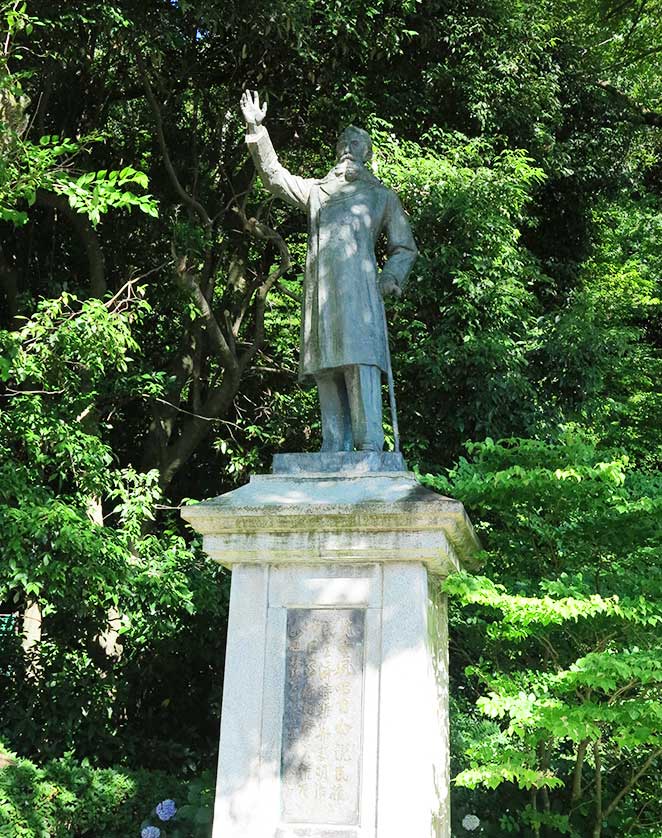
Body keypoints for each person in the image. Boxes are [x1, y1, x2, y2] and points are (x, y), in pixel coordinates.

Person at [240, 90, 417, 452]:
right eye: (344, 143)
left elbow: (404, 247)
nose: (349, 148)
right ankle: (333, 444)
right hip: (321, 293)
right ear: (337, 153)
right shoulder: (316, 192)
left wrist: (391, 278)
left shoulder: (382, 196)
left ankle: (369, 445)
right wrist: (257, 130)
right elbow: (274, 177)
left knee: (360, 361)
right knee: (326, 363)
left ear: (367, 153)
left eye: (357, 143)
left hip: (362, 292)